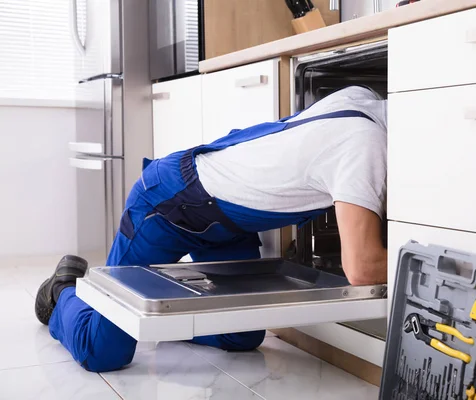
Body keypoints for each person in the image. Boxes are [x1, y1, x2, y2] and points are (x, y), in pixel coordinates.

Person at [34, 85, 388, 372]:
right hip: (168, 204)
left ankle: (155, 324)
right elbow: (362, 269)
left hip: (227, 224)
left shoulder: (367, 99)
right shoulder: (363, 146)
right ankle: (63, 290)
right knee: (103, 353)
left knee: (242, 336)